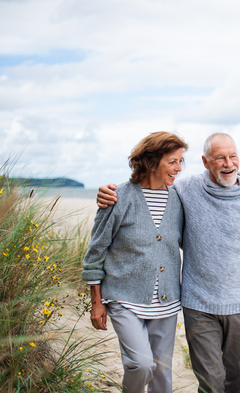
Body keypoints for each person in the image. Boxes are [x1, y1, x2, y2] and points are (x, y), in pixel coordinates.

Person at [96, 132, 240, 393]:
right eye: (220, 158)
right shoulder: (185, 190)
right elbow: (149, 188)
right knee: (210, 380)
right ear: (206, 162)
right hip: (197, 303)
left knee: (239, 373)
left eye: (233, 156)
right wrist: (108, 192)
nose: (228, 163)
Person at [82, 131, 188, 393]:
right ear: (151, 161)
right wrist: (96, 302)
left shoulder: (178, 199)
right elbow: (96, 252)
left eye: (180, 162)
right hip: (123, 298)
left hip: (166, 301)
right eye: (172, 161)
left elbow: (194, 238)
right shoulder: (118, 197)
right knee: (141, 365)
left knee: (162, 374)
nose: (178, 168)